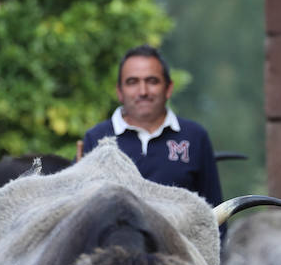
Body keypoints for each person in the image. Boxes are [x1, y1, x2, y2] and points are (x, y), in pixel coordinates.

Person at [81, 44, 223, 206]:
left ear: (168, 88)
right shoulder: (96, 138)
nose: (143, 91)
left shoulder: (195, 137)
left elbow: (214, 214)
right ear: (119, 91)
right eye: (132, 82)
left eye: (152, 81)